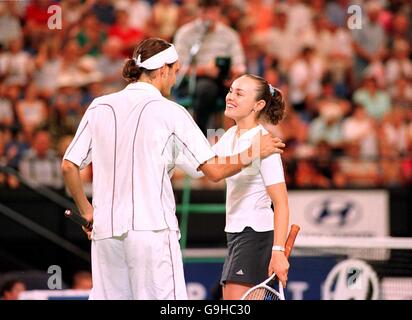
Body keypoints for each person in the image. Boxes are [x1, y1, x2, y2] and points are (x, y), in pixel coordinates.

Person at [61, 38, 285, 300]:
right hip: (152, 232)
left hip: (106, 235)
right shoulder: (172, 112)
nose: (175, 79)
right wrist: (253, 150)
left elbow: (68, 166)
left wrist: (88, 211)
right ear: (163, 70)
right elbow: (212, 171)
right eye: (176, 71)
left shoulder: (99, 106)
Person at [211, 74, 290, 300]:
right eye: (231, 91)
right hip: (235, 234)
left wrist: (278, 252)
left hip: (255, 235)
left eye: (239, 93)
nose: (230, 97)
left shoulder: (266, 143)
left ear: (258, 105)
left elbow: (281, 203)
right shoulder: (229, 136)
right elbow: (211, 170)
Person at [173, 0, 246, 134]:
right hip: (198, 79)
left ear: (218, 12)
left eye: (212, 11)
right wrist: (204, 70)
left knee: (245, 89)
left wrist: (235, 75)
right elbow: (178, 68)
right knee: (206, 89)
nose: (209, 16)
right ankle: (201, 133)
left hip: (226, 78)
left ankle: (238, 135)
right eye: (205, 11)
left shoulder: (229, 34)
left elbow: (240, 64)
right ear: (198, 12)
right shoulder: (186, 33)